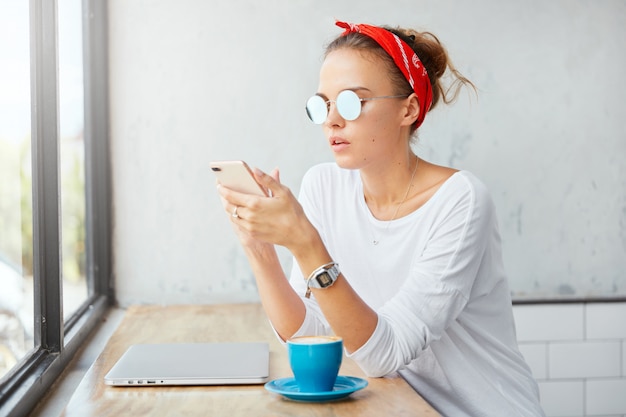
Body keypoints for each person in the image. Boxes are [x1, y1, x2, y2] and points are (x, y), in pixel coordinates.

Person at [217, 20, 545, 417]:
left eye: (353, 102)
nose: (333, 120)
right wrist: (262, 253)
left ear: (408, 109)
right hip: (396, 408)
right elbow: (311, 335)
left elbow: (384, 354)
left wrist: (306, 242)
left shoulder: (460, 201)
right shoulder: (323, 186)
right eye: (324, 104)